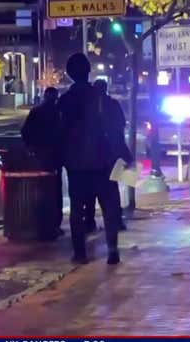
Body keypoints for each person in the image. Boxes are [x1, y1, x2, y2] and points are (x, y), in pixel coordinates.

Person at [58, 53, 123, 265]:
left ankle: (80, 253)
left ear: (69, 74)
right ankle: (112, 251)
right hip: (103, 162)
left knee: (77, 209)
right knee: (109, 207)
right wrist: (123, 156)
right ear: (88, 71)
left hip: (77, 166)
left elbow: (59, 133)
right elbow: (117, 132)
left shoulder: (65, 102)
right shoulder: (104, 100)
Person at [21, 87, 64, 236]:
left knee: (41, 191)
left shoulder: (37, 112)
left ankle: (43, 223)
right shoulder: (58, 113)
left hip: (41, 156)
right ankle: (53, 224)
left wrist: (32, 147)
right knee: (55, 191)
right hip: (55, 156)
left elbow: (25, 132)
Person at [92, 79, 133, 232]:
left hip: (100, 154)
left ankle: (111, 220)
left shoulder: (93, 106)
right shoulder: (112, 105)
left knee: (104, 190)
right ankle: (115, 220)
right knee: (112, 189)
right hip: (110, 152)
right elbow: (120, 126)